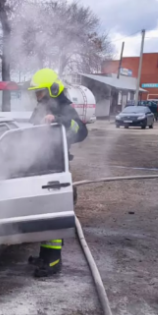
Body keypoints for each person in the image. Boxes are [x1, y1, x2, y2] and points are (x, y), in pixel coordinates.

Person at [26, 68, 89, 278]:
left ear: (53, 89)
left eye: (40, 92)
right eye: (36, 93)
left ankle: (53, 261)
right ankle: (45, 256)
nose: (37, 96)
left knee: (53, 213)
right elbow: (31, 127)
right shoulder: (41, 107)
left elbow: (81, 131)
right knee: (45, 214)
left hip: (56, 167)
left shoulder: (64, 107)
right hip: (41, 164)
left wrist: (59, 120)